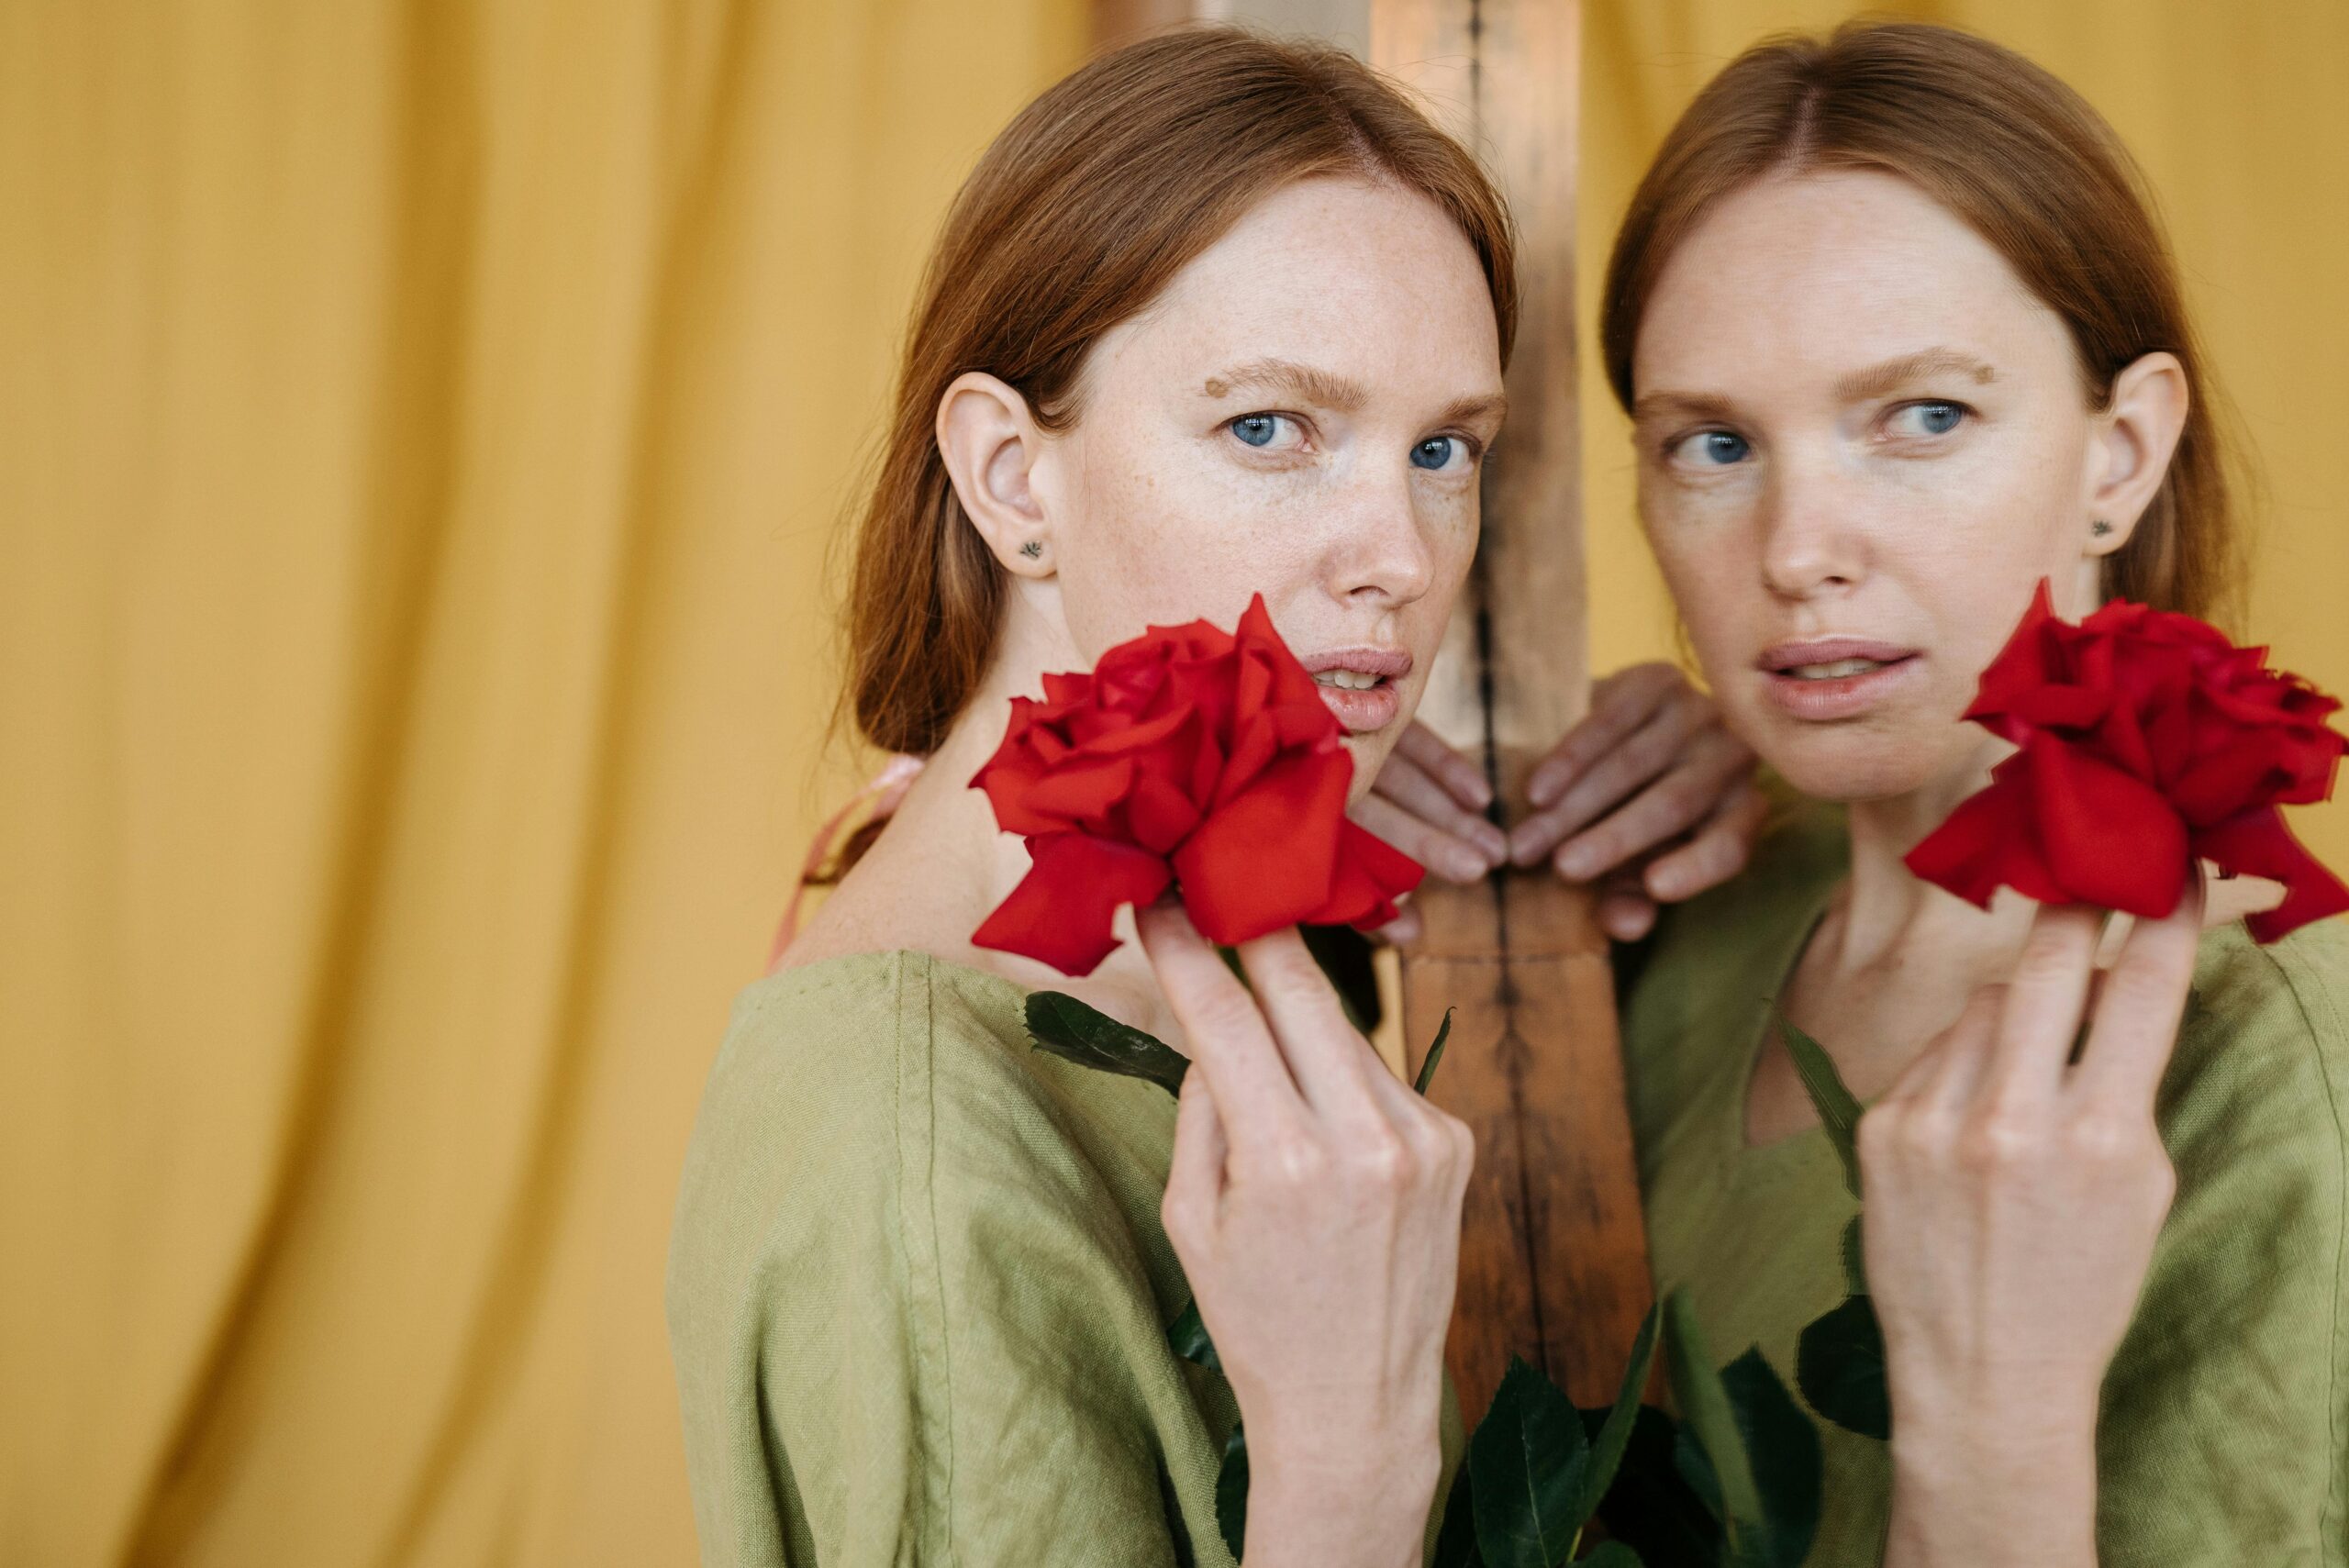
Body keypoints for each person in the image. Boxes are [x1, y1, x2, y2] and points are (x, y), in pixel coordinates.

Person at [666, 28, 1759, 1567]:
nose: (1398, 553)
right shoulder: (912, 1159)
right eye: (1269, 428)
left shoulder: (1179, 928)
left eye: (1444, 446)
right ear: (1009, 475)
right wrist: (1343, 1466)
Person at [1568, 21, 2348, 1566]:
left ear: (2120, 452)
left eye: (1922, 416)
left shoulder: (2273, 1060)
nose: (1796, 549)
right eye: (1714, 444)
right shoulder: (1675, 908)